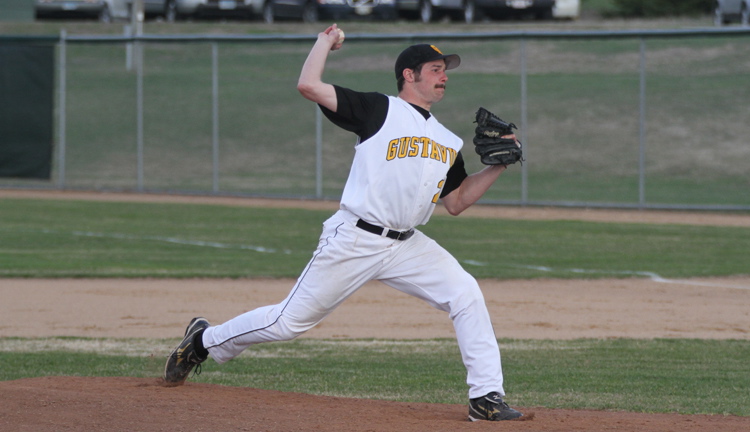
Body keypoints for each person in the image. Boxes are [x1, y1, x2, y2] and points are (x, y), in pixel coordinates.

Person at [163, 24, 524, 422]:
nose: (444, 76)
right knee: (288, 323)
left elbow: (456, 202)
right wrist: (324, 42)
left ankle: (486, 397)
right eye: (436, 68)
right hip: (356, 237)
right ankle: (202, 341)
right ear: (409, 75)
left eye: (445, 70)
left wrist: (499, 166)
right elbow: (308, 85)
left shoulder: (447, 140)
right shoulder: (378, 109)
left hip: (406, 245)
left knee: (466, 294)